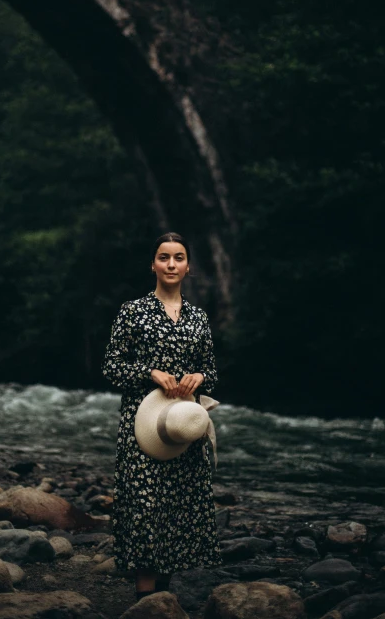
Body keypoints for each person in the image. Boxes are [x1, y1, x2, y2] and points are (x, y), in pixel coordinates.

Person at [102, 231, 223, 602]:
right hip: (142, 422)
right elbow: (111, 366)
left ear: (188, 267)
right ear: (153, 264)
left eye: (179, 258)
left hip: (183, 423)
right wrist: (149, 372)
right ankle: (145, 600)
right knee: (144, 505)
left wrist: (200, 377)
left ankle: (164, 597)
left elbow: (212, 371)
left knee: (176, 505)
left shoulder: (199, 317)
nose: (171, 264)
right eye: (164, 257)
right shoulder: (132, 311)